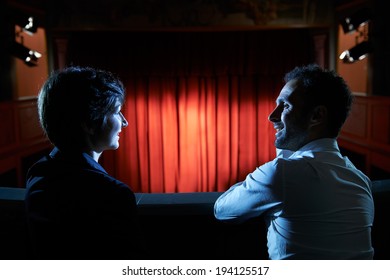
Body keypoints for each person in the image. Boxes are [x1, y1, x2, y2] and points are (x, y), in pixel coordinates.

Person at [214, 64, 374, 260]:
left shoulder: (282, 173)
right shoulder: (360, 180)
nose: (272, 116)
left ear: (317, 116)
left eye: (286, 105)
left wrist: (273, 170)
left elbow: (222, 210)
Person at [25, 66, 145, 259]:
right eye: (116, 112)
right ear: (88, 123)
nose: (124, 122)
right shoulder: (112, 195)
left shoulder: (38, 174)